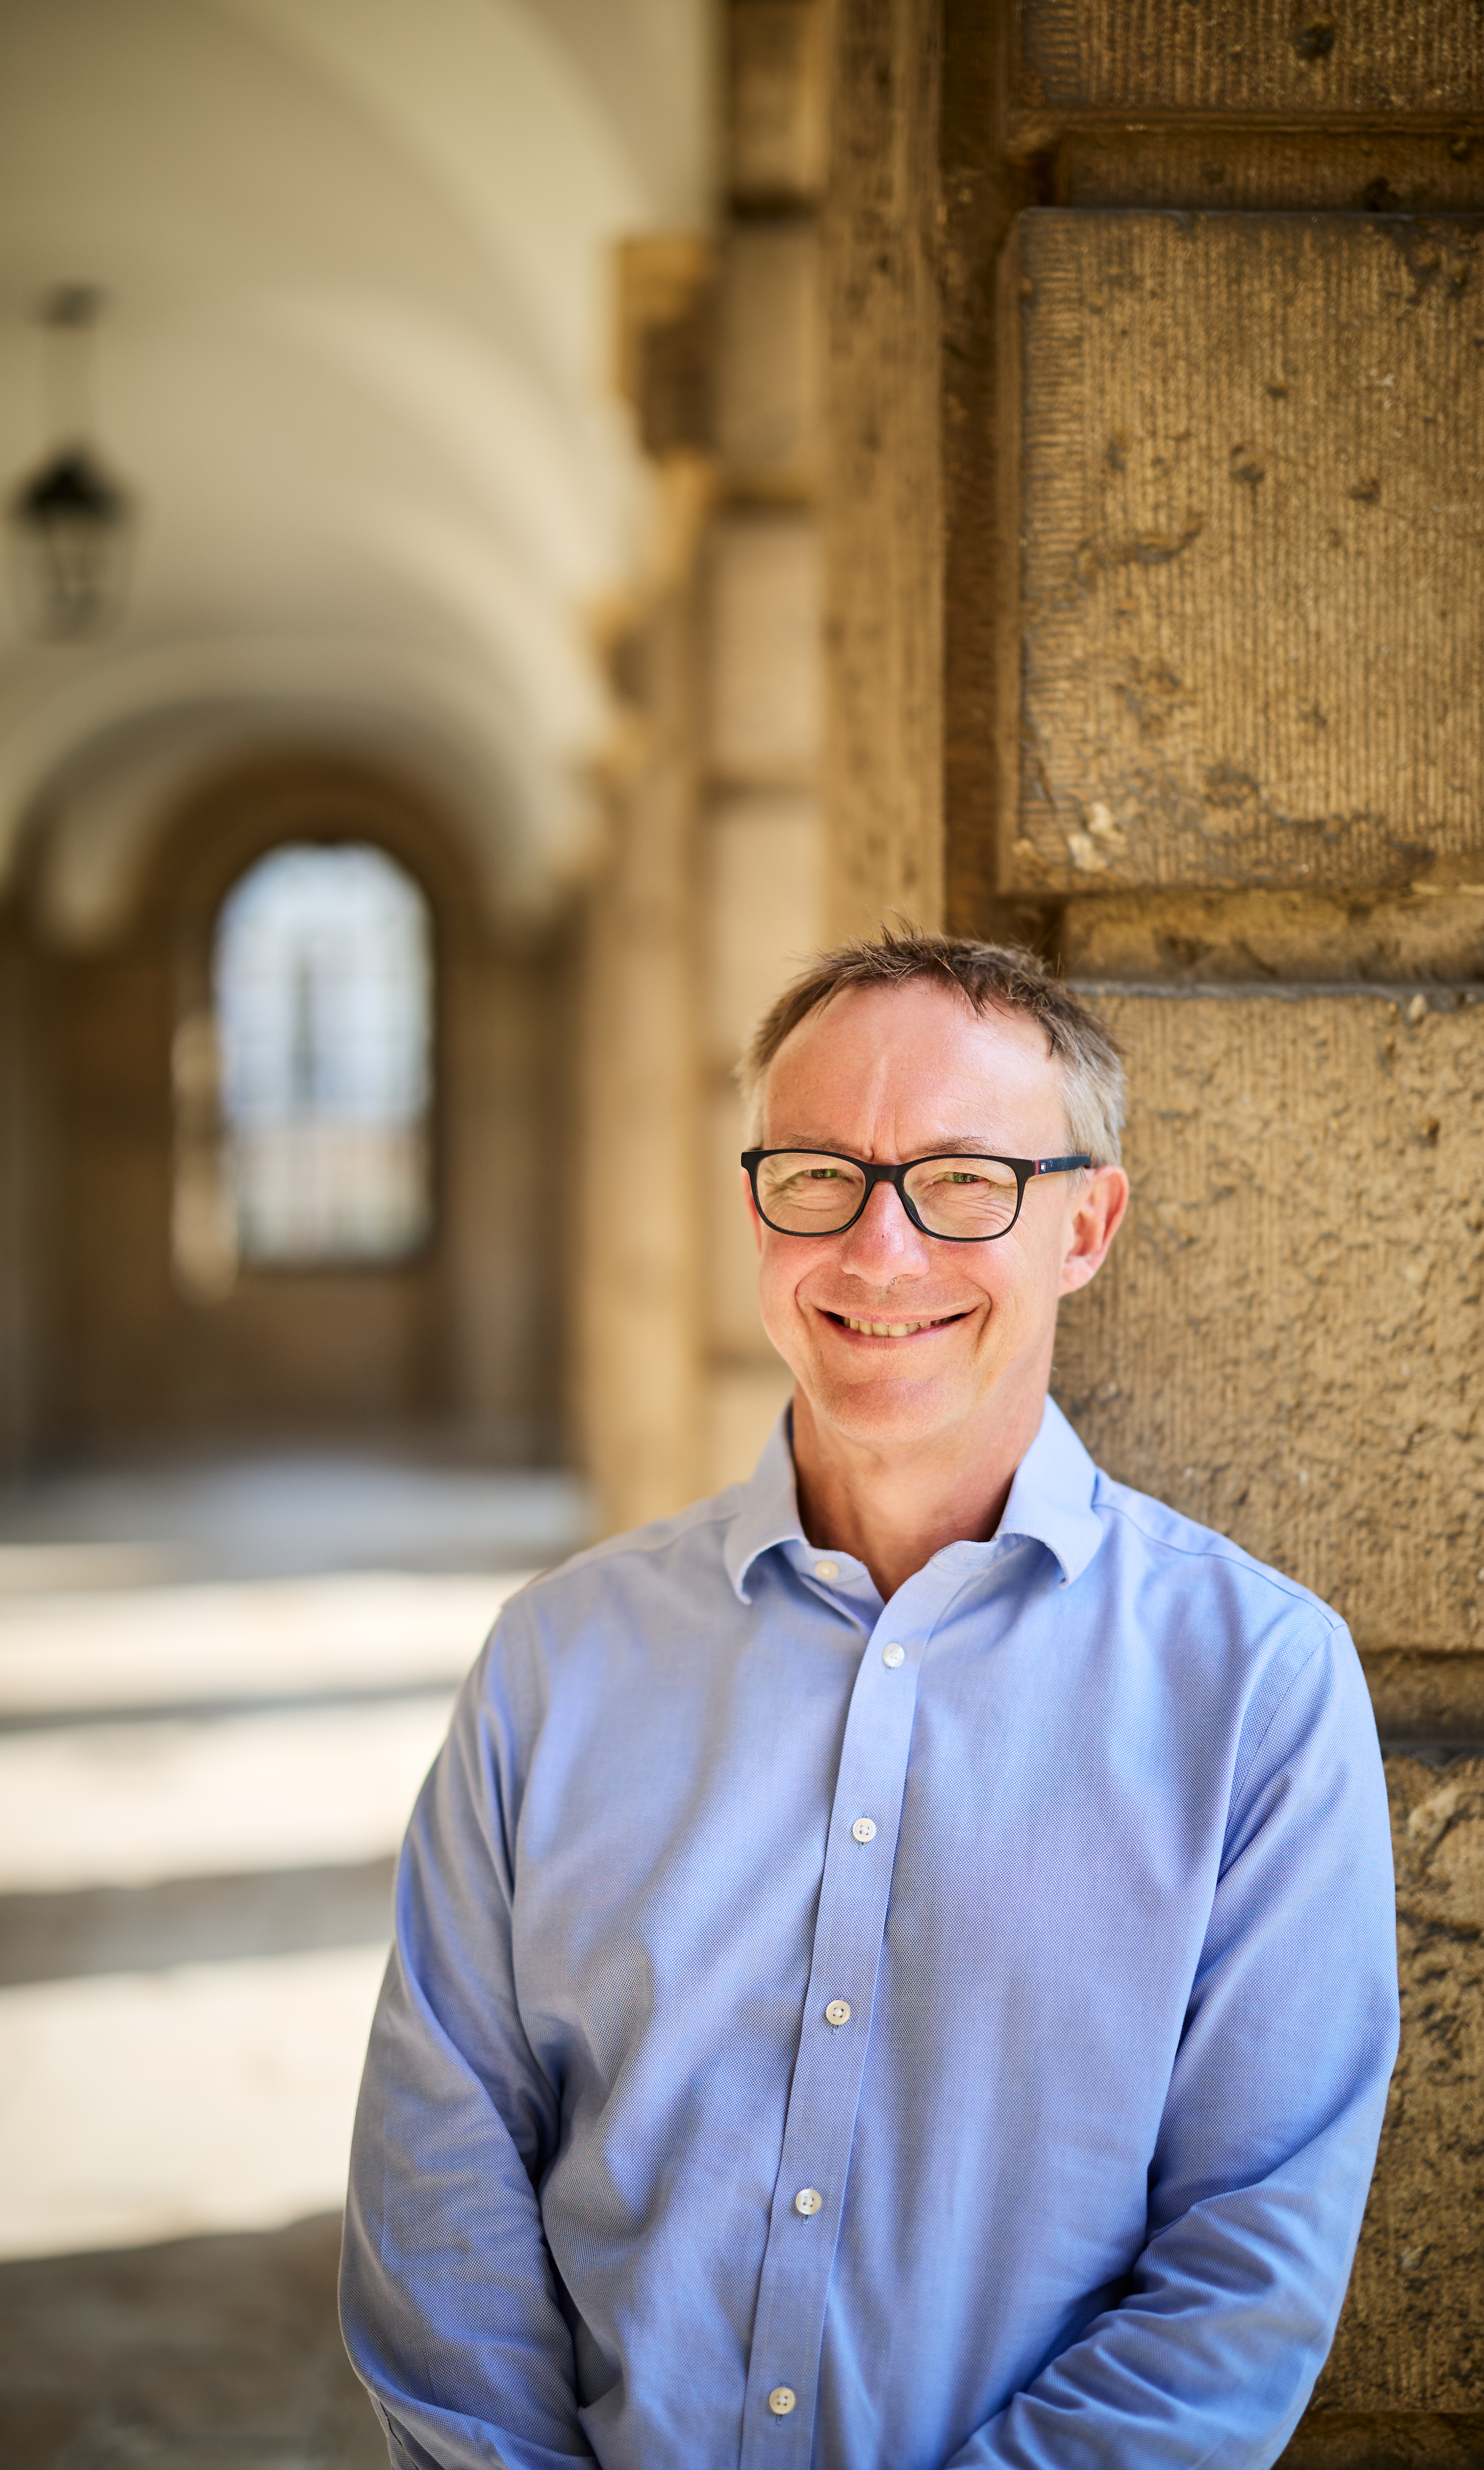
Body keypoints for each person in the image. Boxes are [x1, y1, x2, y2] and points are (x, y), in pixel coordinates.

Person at [341, 929, 1399, 2470]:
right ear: (757, 1210)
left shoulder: (1258, 1690)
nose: (880, 1251)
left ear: (1086, 1225)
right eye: (820, 1176)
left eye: (967, 1181)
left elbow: (1242, 2283)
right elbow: (443, 2205)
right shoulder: (551, 1667)